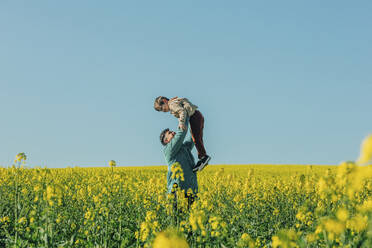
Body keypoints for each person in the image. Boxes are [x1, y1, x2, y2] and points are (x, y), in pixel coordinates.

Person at [154, 96, 210, 171]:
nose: (163, 111)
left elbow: (182, 111)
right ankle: (203, 157)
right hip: (196, 115)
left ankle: (203, 157)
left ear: (164, 101)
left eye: (162, 108)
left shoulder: (172, 105)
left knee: (196, 139)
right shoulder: (169, 150)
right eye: (161, 110)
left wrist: (182, 123)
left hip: (194, 117)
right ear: (166, 141)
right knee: (196, 138)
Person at [160, 116, 198, 210]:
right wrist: (184, 116)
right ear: (166, 140)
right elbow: (182, 133)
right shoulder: (169, 150)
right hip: (177, 193)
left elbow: (193, 137)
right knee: (177, 221)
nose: (173, 132)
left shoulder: (184, 148)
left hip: (190, 192)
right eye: (170, 133)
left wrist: (195, 121)